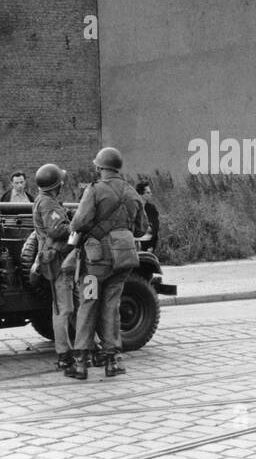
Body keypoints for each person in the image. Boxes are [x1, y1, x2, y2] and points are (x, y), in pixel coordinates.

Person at [67, 147, 146, 380]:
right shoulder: (132, 192)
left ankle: (81, 363)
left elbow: (78, 223)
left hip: (95, 265)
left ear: (100, 167)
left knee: (88, 304)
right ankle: (113, 361)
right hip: (122, 262)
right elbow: (141, 228)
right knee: (112, 306)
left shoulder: (95, 190)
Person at [32, 164, 77, 373]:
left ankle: (66, 352)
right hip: (58, 260)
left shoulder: (43, 200)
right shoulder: (48, 203)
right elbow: (57, 229)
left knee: (60, 308)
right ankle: (64, 355)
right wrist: (75, 223)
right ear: (55, 186)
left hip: (51, 258)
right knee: (63, 309)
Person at [134, 180, 160, 253]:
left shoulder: (152, 208)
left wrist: (151, 246)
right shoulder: (133, 207)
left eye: (150, 192)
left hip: (148, 242)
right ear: (140, 194)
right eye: (148, 192)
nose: (151, 194)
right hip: (135, 241)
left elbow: (155, 228)